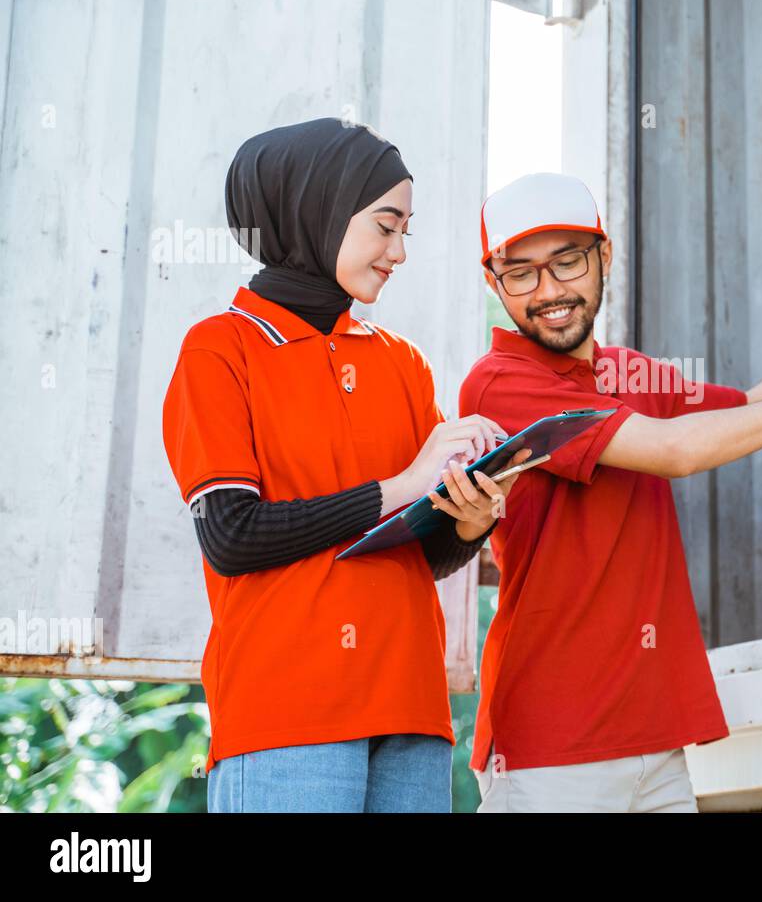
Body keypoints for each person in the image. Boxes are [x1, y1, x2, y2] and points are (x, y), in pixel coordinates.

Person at [461, 172, 762, 812]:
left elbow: (753, 406)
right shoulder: (500, 383)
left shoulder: (624, 373)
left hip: (654, 740)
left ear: (604, 256)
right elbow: (678, 450)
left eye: (567, 261)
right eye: (520, 273)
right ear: (496, 284)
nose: (549, 291)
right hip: (551, 748)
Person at [161, 118, 527, 813]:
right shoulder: (219, 351)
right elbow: (232, 536)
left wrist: (469, 520)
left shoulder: (402, 362)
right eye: (385, 226)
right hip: (287, 717)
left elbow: (420, 547)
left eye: (406, 232)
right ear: (316, 211)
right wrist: (405, 483)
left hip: (411, 714)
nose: (398, 252)